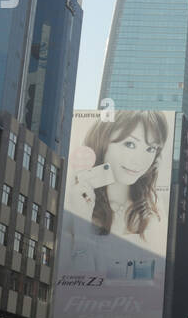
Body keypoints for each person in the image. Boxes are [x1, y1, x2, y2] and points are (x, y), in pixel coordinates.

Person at [64, 111, 171, 274]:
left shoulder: (153, 210)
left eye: (150, 149)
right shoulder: (72, 201)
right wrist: (81, 223)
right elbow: (75, 282)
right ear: (103, 141)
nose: (139, 161)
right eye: (130, 144)